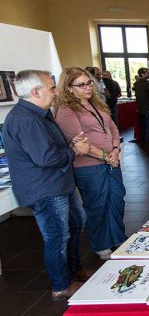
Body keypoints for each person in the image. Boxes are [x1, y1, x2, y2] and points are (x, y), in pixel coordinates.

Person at [3, 70, 90, 300]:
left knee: (76, 224)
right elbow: (47, 158)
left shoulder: (39, 114)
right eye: (51, 88)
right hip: (46, 188)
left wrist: (70, 144)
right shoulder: (25, 120)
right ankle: (61, 285)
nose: (56, 92)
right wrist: (74, 150)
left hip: (59, 184)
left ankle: (74, 271)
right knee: (57, 237)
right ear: (35, 92)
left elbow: (50, 148)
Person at [55, 67, 127, 261]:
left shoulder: (96, 102)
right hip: (88, 165)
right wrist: (106, 155)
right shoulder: (66, 111)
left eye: (89, 83)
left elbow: (111, 126)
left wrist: (115, 149)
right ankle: (101, 244)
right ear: (69, 88)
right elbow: (81, 144)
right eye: (81, 85)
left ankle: (118, 238)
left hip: (111, 159)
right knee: (97, 204)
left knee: (116, 199)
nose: (88, 87)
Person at [134, 67, 149, 147]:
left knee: (143, 126)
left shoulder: (136, 84)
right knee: (148, 126)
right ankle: (146, 143)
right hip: (148, 108)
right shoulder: (146, 84)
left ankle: (143, 142)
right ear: (142, 74)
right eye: (147, 72)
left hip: (140, 109)